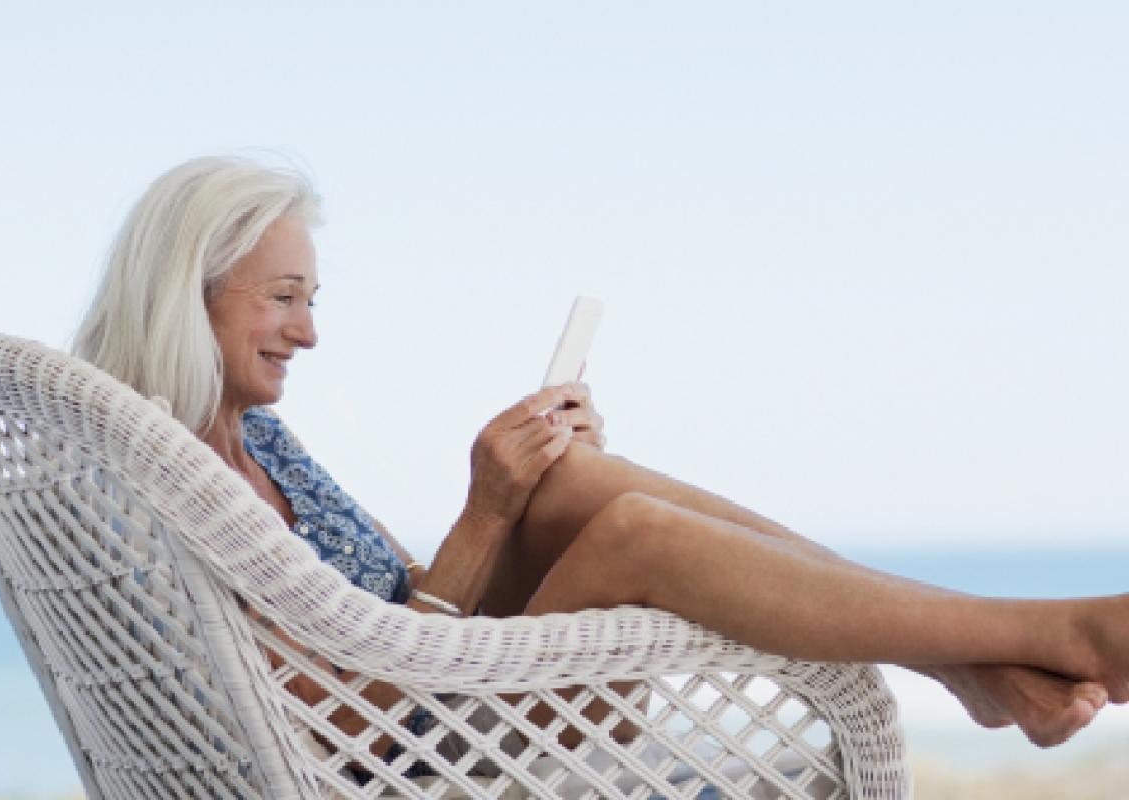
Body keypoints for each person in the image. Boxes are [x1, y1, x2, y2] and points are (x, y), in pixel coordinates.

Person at [73, 155, 1125, 769]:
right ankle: (1030, 634)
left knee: (574, 485)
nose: (307, 333)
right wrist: (485, 516)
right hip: (403, 769)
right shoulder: (154, 476)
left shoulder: (249, 436)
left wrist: (511, 496)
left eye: (312, 300)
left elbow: (384, 595)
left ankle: (965, 656)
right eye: (283, 296)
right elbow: (342, 710)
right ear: (188, 289)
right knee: (630, 534)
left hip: (438, 698)